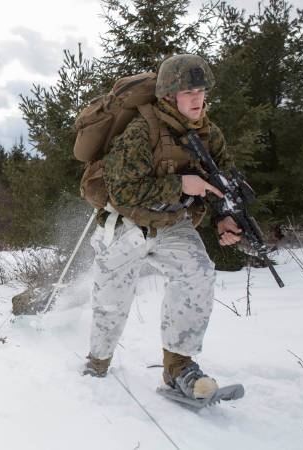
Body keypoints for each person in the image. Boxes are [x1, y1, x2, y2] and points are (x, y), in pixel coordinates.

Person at [82, 54, 242, 402]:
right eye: (188, 92)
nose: (197, 99)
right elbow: (123, 192)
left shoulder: (209, 133)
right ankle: (97, 364)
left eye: (201, 91)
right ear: (169, 95)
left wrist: (224, 216)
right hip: (125, 226)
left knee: (198, 272)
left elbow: (222, 181)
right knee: (112, 302)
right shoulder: (142, 131)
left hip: (172, 224)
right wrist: (181, 185)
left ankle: (178, 368)